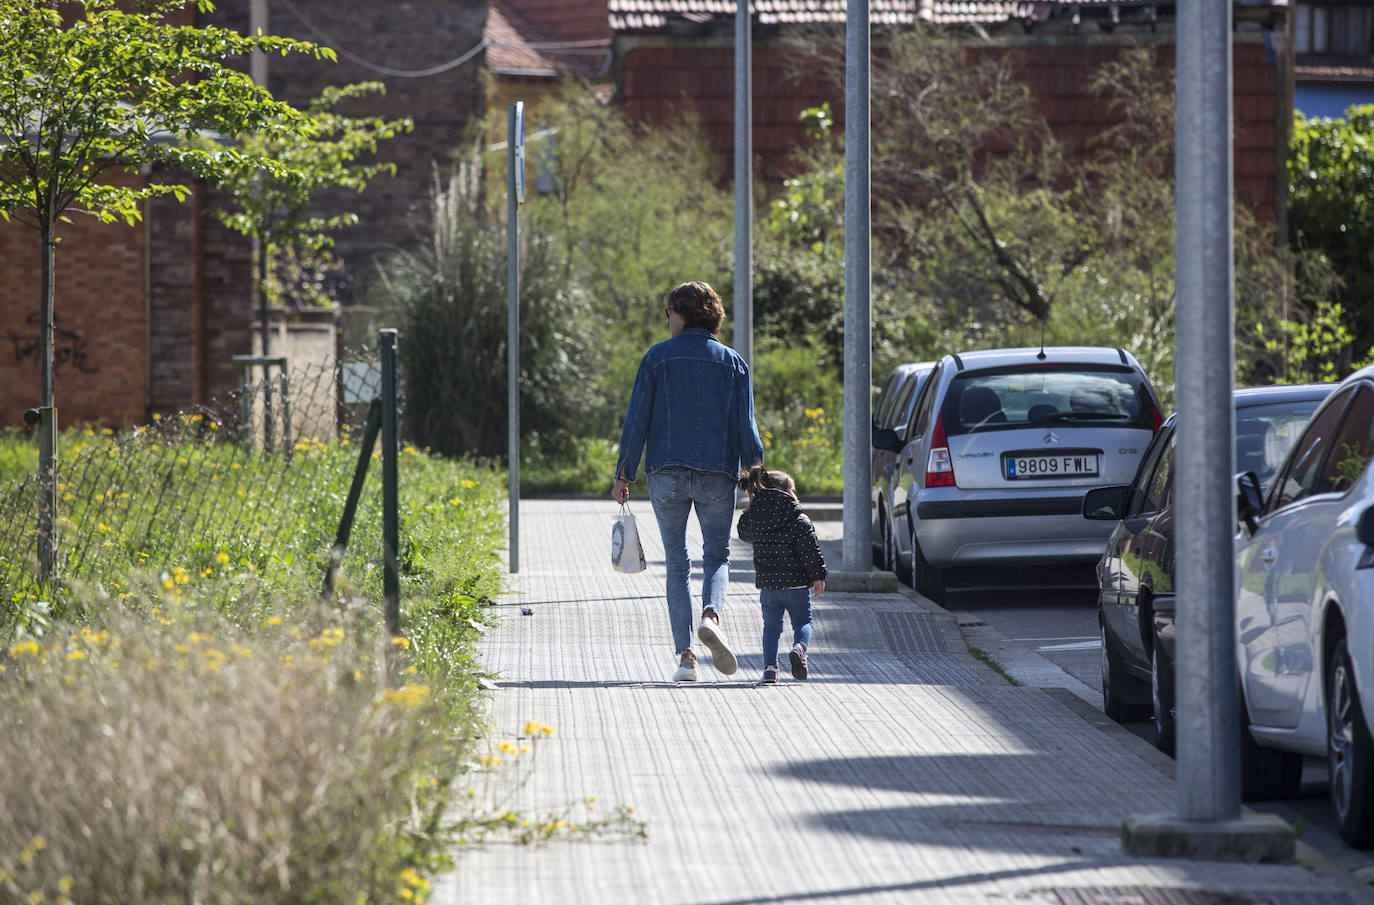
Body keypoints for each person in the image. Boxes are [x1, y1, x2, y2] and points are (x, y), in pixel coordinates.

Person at [611, 281, 765, 683]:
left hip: (666, 473)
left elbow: (637, 420)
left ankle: (686, 658)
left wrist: (623, 473)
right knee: (717, 555)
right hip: (718, 473)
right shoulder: (734, 363)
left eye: (670, 313)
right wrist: (756, 470)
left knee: (677, 564)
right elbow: (745, 425)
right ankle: (711, 615)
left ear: (683, 314)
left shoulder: (656, 359)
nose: (667, 321)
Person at [735, 465, 827, 684]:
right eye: (793, 490)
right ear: (786, 492)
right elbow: (811, 551)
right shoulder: (798, 518)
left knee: (771, 628)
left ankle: (769, 669)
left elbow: (743, 531)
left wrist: (751, 510)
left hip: (769, 587)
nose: (795, 495)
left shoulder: (756, 518)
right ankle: (799, 649)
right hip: (796, 585)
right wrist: (818, 575)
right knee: (803, 622)